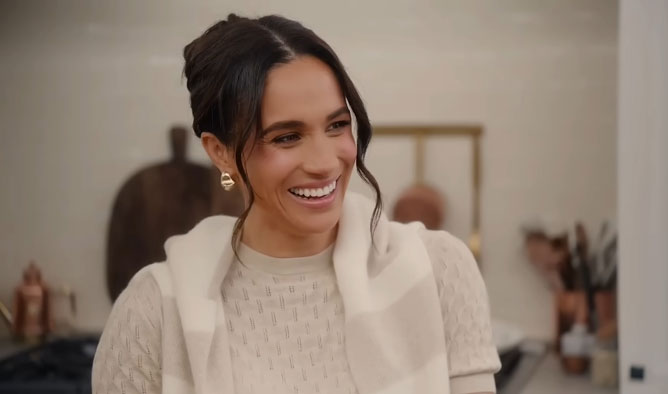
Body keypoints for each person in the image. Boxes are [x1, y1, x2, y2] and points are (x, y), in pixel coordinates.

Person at [92, 13, 501, 394]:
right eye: (286, 137)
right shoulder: (152, 315)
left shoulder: (439, 272)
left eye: (337, 125)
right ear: (220, 153)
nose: (325, 163)